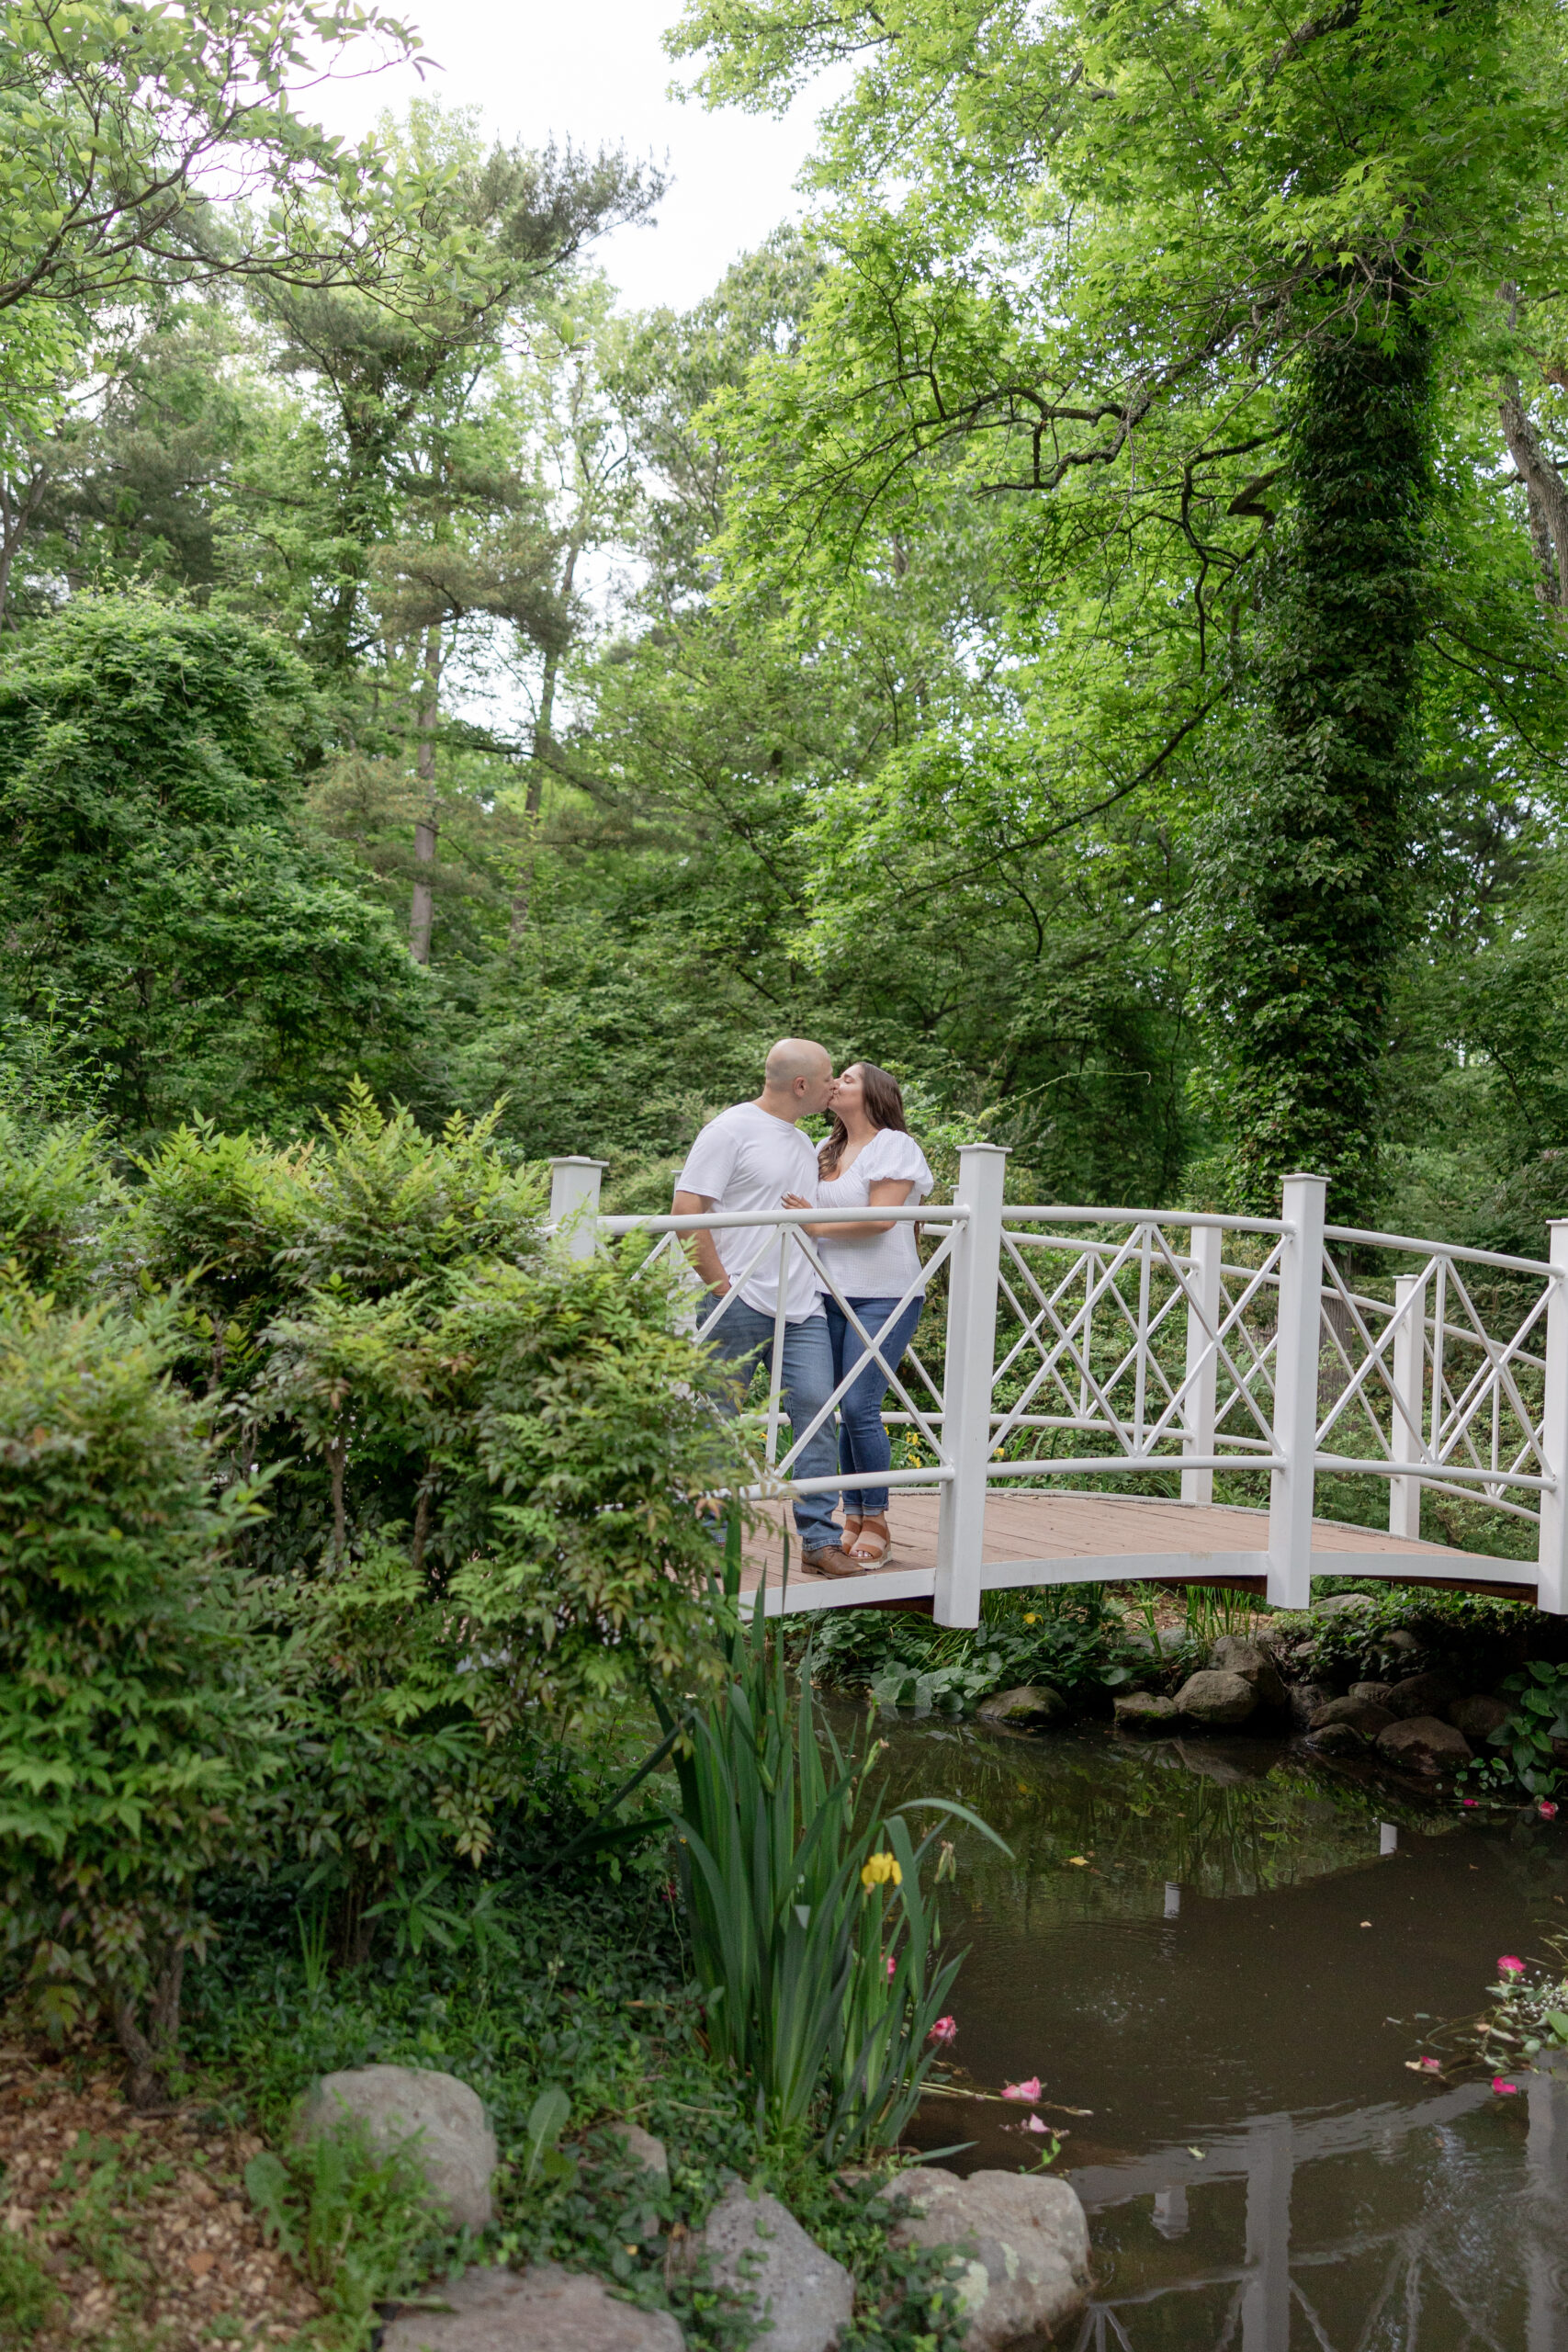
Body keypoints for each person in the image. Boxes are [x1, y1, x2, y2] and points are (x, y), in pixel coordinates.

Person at [672, 1038, 846, 1570]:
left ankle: (820, 1542)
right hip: (738, 1300)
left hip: (802, 1305)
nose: (834, 1085)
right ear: (802, 1085)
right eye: (828, 1078)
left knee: (817, 1412)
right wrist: (720, 1286)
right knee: (718, 1419)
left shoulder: (803, 1142)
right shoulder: (729, 1130)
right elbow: (686, 1209)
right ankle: (709, 1542)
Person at [783, 1061, 933, 1574]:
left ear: (873, 1095)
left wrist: (814, 1223)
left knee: (860, 1405)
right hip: (824, 1293)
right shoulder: (824, 1149)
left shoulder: (894, 1145)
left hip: (884, 1294)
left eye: (847, 1079)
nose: (835, 1083)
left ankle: (877, 1521)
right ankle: (850, 1514)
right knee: (832, 1407)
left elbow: (881, 1218)